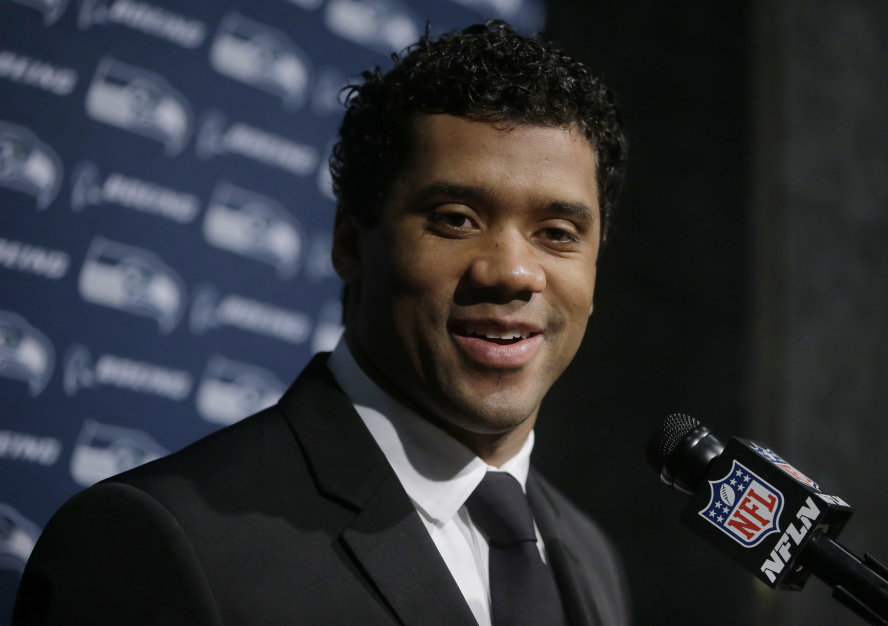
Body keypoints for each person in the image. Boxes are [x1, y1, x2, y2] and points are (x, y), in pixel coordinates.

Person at [14, 20, 629, 626]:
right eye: (456, 219)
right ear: (350, 243)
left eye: (557, 234)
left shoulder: (588, 555)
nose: (514, 272)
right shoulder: (151, 542)